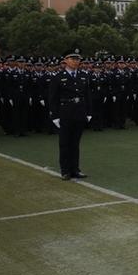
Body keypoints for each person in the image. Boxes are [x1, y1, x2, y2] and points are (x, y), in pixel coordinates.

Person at [48, 49, 92, 180]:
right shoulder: (58, 77)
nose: (75, 61)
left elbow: (88, 96)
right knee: (65, 143)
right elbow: (52, 98)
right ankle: (65, 171)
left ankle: (75, 169)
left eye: (77, 59)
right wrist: (54, 116)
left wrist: (89, 112)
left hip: (79, 113)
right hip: (65, 113)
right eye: (72, 59)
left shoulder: (84, 76)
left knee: (75, 143)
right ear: (65, 61)